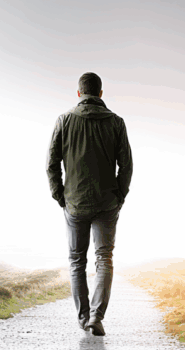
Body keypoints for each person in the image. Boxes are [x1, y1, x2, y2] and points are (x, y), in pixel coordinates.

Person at [46, 72, 133, 336]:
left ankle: (84, 318)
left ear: (79, 93)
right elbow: (126, 165)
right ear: (101, 94)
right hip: (107, 202)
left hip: (75, 202)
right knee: (104, 258)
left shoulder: (63, 120)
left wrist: (60, 196)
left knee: (77, 261)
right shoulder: (116, 122)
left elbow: (51, 164)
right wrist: (120, 196)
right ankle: (96, 316)